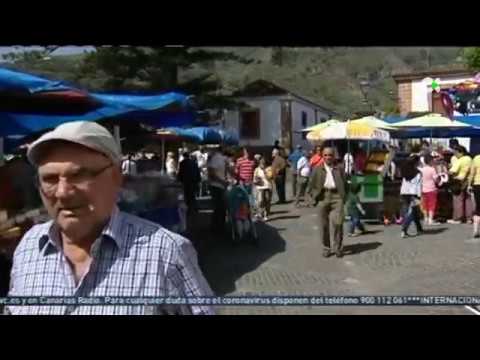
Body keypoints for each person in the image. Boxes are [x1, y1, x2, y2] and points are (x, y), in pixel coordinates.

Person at [6, 121, 214, 315]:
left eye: (80, 175)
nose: (62, 192)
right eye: (49, 179)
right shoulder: (29, 247)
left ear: (116, 177)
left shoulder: (166, 253)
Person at [307, 147, 347, 258]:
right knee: (323, 225)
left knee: (338, 223)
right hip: (322, 197)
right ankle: (326, 248)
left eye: (330, 155)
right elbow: (311, 185)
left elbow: (345, 183)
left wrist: (344, 197)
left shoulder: (339, 168)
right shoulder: (317, 169)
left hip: (337, 197)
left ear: (334, 156)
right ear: (322, 156)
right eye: (325, 155)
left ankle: (337, 248)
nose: (328, 157)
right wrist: (312, 197)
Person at [448, 145, 473, 224]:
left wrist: (448, 171)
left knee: (458, 200)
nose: (454, 154)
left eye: (455, 152)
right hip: (468, 181)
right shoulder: (469, 159)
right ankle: (469, 218)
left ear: (460, 152)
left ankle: (458, 218)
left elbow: (452, 171)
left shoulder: (460, 160)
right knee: (468, 200)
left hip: (459, 181)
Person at [207, 146, 228, 237]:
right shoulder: (215, 158)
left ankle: (219, 227)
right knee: (219, 207)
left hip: (219, 186)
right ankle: (217, 228)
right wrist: (222, 181)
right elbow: (211, 173)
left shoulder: (220, 158)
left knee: (221, 208)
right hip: (216, 186)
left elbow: (222, 172)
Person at [400, 156, 423, 238]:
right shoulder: (417, 173)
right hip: (413, 194)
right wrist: (418, 196)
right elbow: (417, 185)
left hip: (404, 192)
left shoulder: (405, 170)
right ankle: (404, 229)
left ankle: (419, 228)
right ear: (416, 162)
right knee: (412, 213)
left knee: (413, 211)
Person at [177, 151, 201, 215]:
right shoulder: (194, 162)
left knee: (186, 195)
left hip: (186, 181)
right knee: (192, 195)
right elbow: (197, 171)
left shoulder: (182, 163)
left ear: (184, 156)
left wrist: (179, 180)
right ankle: (194, 208)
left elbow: (180, 172)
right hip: (193, 181)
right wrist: (198, 180)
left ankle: (188, 209)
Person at [419, 154, 440, 226]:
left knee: (424, 205)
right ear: (431, 161)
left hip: (423, 189)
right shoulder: (432, 169)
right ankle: (431, 219)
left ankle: (425, 218)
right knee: (432, 205)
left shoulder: (421, 170)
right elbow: (436, 179)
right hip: (431, 189)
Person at [469, 152, 480, 239]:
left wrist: (469, 184)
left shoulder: (476, 158)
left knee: (478, 208)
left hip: (477, 185)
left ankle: (475, 229)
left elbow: (472, 173)